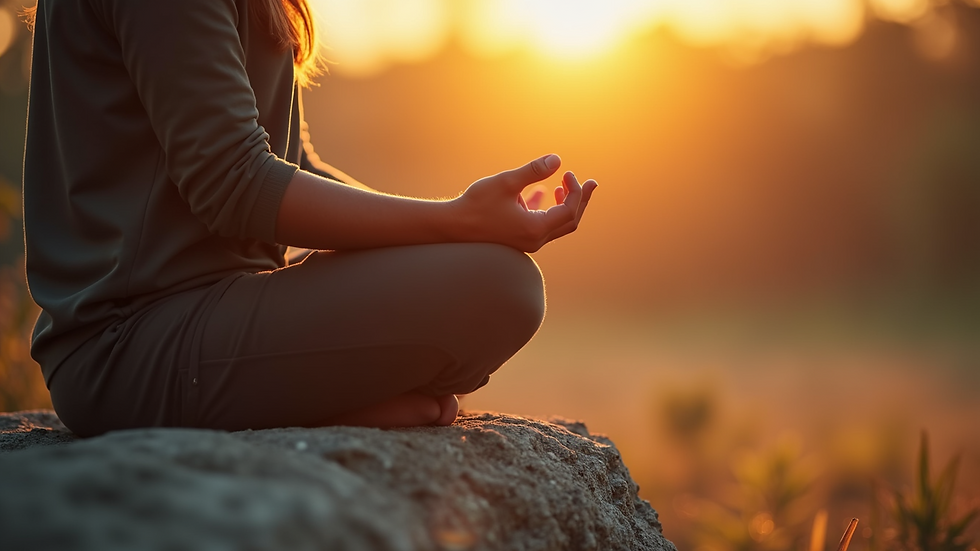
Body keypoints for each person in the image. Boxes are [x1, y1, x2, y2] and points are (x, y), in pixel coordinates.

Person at [21, 0, 597, 437]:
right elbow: (235, 183)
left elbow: (291, 161)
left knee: (485, 272)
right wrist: (454, 221)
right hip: (129, 346)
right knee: (497, 287)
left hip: (218, 308)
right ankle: (330, 405)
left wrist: (456, 228)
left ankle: (324, 401)